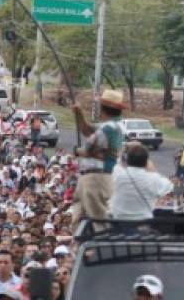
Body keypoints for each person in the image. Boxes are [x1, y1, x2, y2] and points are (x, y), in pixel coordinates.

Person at [71, 90, 126, 224]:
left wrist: (77, 151)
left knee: (98, 220)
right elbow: (86, 129)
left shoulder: (108, 128)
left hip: (97, 178)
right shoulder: (115, 125)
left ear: (103, 108)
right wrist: (79, 113)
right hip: (93, 176)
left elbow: (87, 149)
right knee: (79, 219)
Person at [109, 144, 174, 220]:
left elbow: (119, 163)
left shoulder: (117, 173)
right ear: (146, 162)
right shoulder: (154, 178)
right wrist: (152, 170)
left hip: (117, 223)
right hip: (142, 225)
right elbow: (174, 189)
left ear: (127, 160)